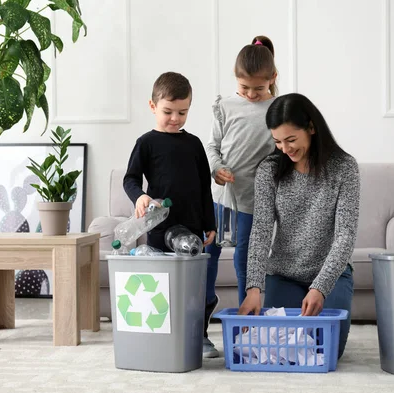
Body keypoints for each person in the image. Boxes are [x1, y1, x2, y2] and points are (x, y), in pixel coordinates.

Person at [238, 93, 360, 359]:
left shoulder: (344, 168)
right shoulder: (269, 170)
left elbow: (345, 235)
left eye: (291, 139)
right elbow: (260, 232)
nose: (285, 148)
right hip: (284, 274)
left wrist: (321, 287)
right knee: (281, 346)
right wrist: (254, 288)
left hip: (331, 275)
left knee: (325, 349)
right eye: (278, 141)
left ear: (311, 128)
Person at [203, 35, 278, 358]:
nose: (250, 95)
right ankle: (201, 330)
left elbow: (282, 152)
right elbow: (211, 146)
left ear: (272, 81)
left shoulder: (277, 109)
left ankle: (251, 329)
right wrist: (217, 167)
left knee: (246, 261)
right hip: (220, 198)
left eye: (257, 90)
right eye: (244, 88)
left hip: (252, 202)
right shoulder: (224, 106)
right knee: (207, 259)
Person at [123, 71, 216, 255]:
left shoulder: (195, 144)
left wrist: (210, 223)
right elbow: (130, 179)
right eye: (168, 111)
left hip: (192, 227)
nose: (175, 118)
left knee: (190, 278)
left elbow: (205, 187)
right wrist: (140, 196)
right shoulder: (146, 143)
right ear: (153, 106)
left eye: (182, 112)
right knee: (161, 279)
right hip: (159, 226)